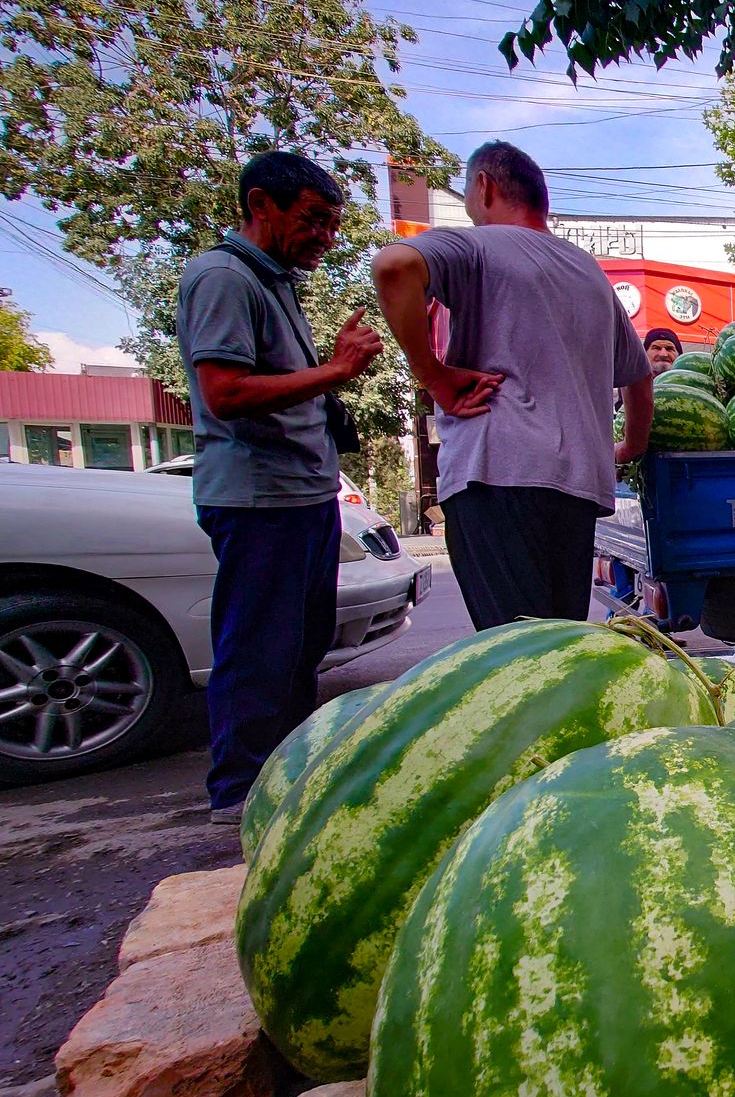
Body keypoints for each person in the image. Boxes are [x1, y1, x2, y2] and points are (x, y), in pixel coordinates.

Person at [175, 151, 382, 823]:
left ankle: (287, 780)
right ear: (261, 204)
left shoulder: (274, 283)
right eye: (313, 219)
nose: (325, 235)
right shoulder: (224, 278)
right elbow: (225, 391)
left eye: (332, 224)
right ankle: (238, 792)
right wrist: (335, 372)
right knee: (260, 648)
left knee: (298, 651)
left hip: (301, 496)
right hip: (259, 499)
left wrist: (328, 371)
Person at [372, 140, 652, 631]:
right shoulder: (589, 271)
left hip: (495, 475)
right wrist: (628, 446)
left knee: (514, 653)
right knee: (560, 646)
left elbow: (392, 267)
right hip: (579, 486)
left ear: (484, 186)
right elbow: (639, 376)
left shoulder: (475, 243)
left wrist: (433, 375)